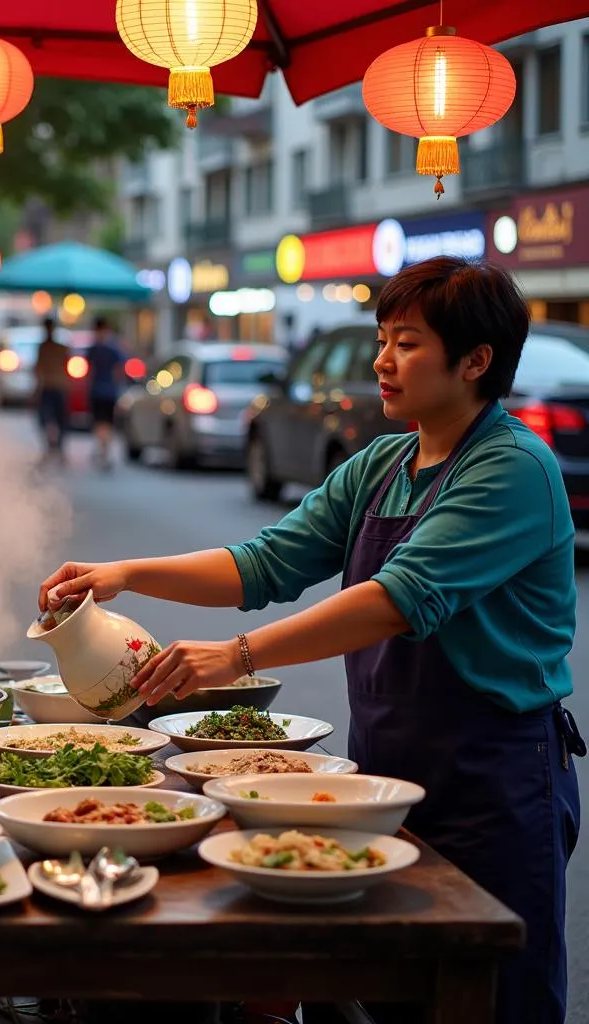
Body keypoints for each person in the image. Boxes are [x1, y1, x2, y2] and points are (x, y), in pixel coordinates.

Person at [39, 257, 582, 1024]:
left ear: (476, 360)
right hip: (385, 772)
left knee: (487, 996)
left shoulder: (514, 468)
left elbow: (399, 599)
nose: (381, 361)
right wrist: (124, 573)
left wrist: (236, 656)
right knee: (373, 987)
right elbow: (265, 562)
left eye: (407, 343)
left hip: (493, 784)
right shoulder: (383, 464)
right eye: (383, 339)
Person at [85, 316, 126, 469]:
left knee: (100, 422)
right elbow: (121, 369)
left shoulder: (93, 349)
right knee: (106, 423)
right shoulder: (113, 348)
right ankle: (104, 451)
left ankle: (102, 450)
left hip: (98, 391)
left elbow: (87, 369)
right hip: (108, 391)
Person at [33, 316, 70, 466]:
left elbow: (38, 369)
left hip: (50, 386)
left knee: (49, 418)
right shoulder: (59, 348)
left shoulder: (46, 348)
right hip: (56, 386)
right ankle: (57, 447)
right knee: (56, 419)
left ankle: (54, 446)